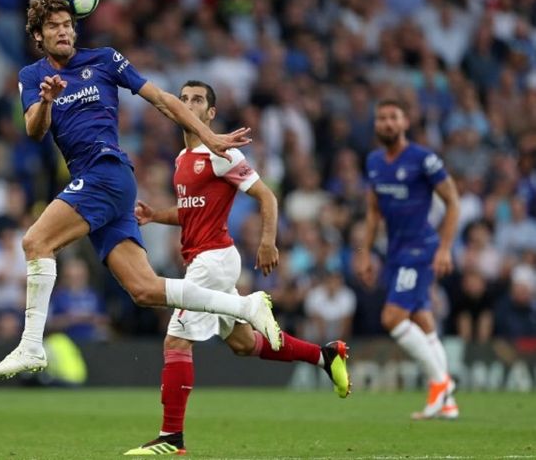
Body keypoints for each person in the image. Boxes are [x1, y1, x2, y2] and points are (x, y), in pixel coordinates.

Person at [0, 0, 282, 378]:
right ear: (38, 36)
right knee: (144, 290)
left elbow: (161, 98)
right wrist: (48, 101)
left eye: (68, 24)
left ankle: (31, 346)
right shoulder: (32, 76)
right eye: (53, 26)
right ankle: (246, 307)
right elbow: (34, 129)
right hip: (92, 181)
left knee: (35, 242)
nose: (63, 31)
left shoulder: (104, 60)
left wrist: (209, 136)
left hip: (107, 172)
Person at [124, 81, 350, 456]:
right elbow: (191, 211)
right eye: (183, 99)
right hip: (206, 258)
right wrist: (155, 216)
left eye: (197, 100)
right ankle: (325, 356)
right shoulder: (183, 158)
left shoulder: (220, 153)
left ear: (211, 113)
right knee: (244, 344)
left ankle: (171, 439)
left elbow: (267, 196)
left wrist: (267, 241)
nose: (188, 104)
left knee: (176, 339)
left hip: (214, 260)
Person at [355, 98, 460, 420]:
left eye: (393, 118)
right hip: (396, 252)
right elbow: (373, 213)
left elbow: (453, 202)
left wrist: (444, 248)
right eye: (381, 118)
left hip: (421, 249)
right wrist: (366, 252)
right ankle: (449, 402)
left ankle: (439, 383)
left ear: (405, 123)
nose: (386, 123)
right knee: (423, 321)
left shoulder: (423, 159)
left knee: (393, 318)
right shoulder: (374, 161)